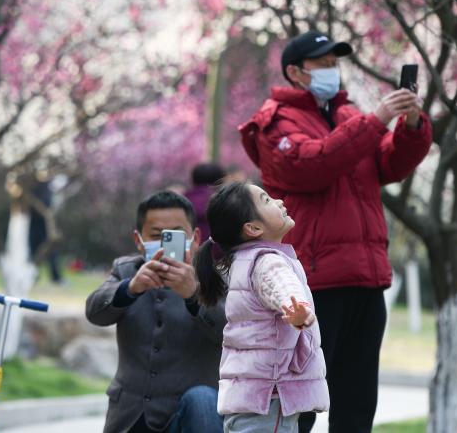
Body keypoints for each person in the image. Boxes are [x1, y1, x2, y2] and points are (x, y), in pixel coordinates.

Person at [239, 30, 432, 433]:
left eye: (334, 63)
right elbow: (314, 165)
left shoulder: (349, 116)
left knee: (358, 402)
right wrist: (376, 120)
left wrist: (410, 126)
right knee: (302, 400)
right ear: (295, 72)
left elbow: (389, 166)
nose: (333, 71)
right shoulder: (274, 122)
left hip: (366, 277)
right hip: (313, 285)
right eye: (322, 64)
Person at [85, 190, 226, 433]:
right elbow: (94, 312)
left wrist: (193, 295)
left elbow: (228, 331)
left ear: (195, 237)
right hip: (130, 418)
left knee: (203, 398)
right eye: (156, 235)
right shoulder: (126, 269)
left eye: (174, 235)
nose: (164, 243)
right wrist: (130, 289)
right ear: (139, 240)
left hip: (189, 419)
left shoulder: (214, 276)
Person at [195, 181, 328, 433]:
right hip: (270, 395)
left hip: (255, 396)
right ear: (253, 228)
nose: (278, 202)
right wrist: (296, 309)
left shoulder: (243, 260)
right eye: (267, 200)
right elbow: (281, 286)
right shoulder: (267, 261)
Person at [183, 163, 226, 244]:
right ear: (218, 180)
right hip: (211, 250)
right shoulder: (220, 201)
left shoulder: (183, 199)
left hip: (187, 249)